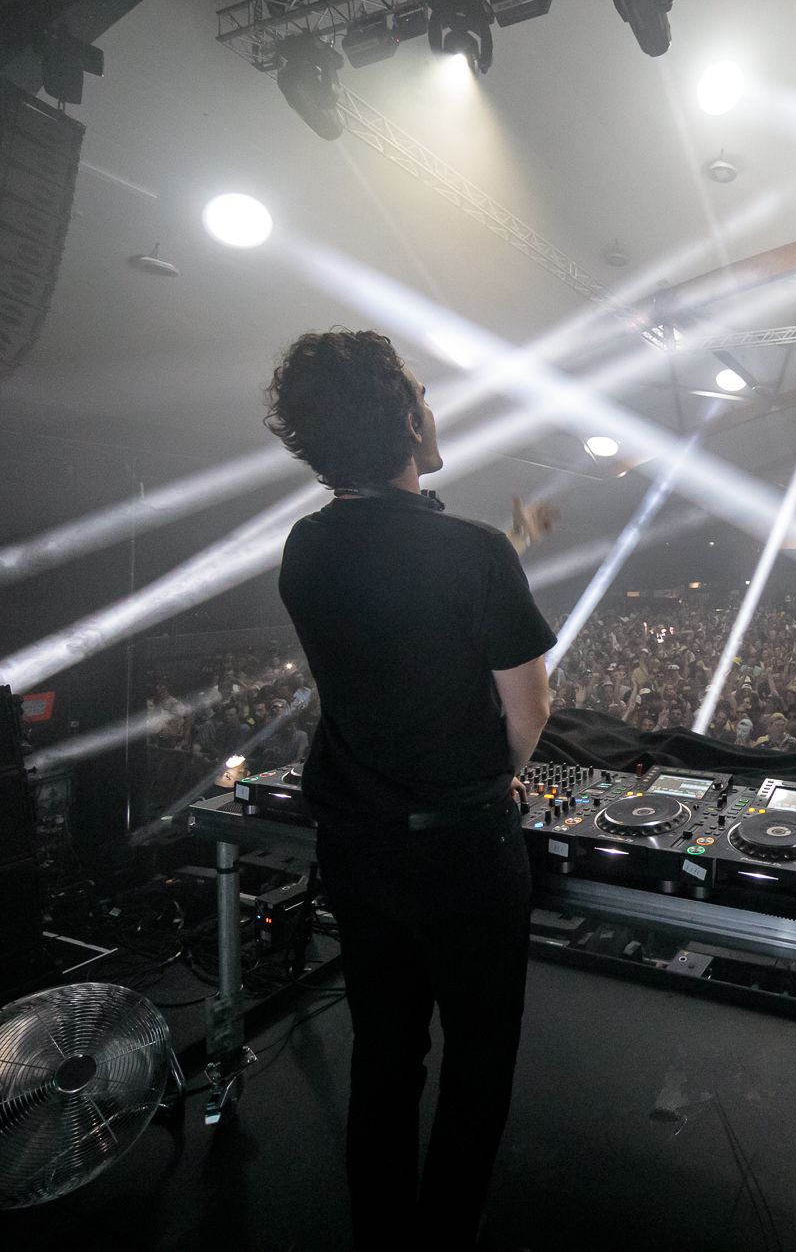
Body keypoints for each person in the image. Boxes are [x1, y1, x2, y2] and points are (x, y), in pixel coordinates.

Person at [267, 328, 561, 1249]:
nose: (433, 408)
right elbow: (529, 713)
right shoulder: (475, 552)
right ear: (402, 418)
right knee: (478, 1065)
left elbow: (395, 609)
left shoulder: (304, 547)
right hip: (462, 851)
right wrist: (486, 781)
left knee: (385, 1062)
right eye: (422, 394)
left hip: (358, 849)